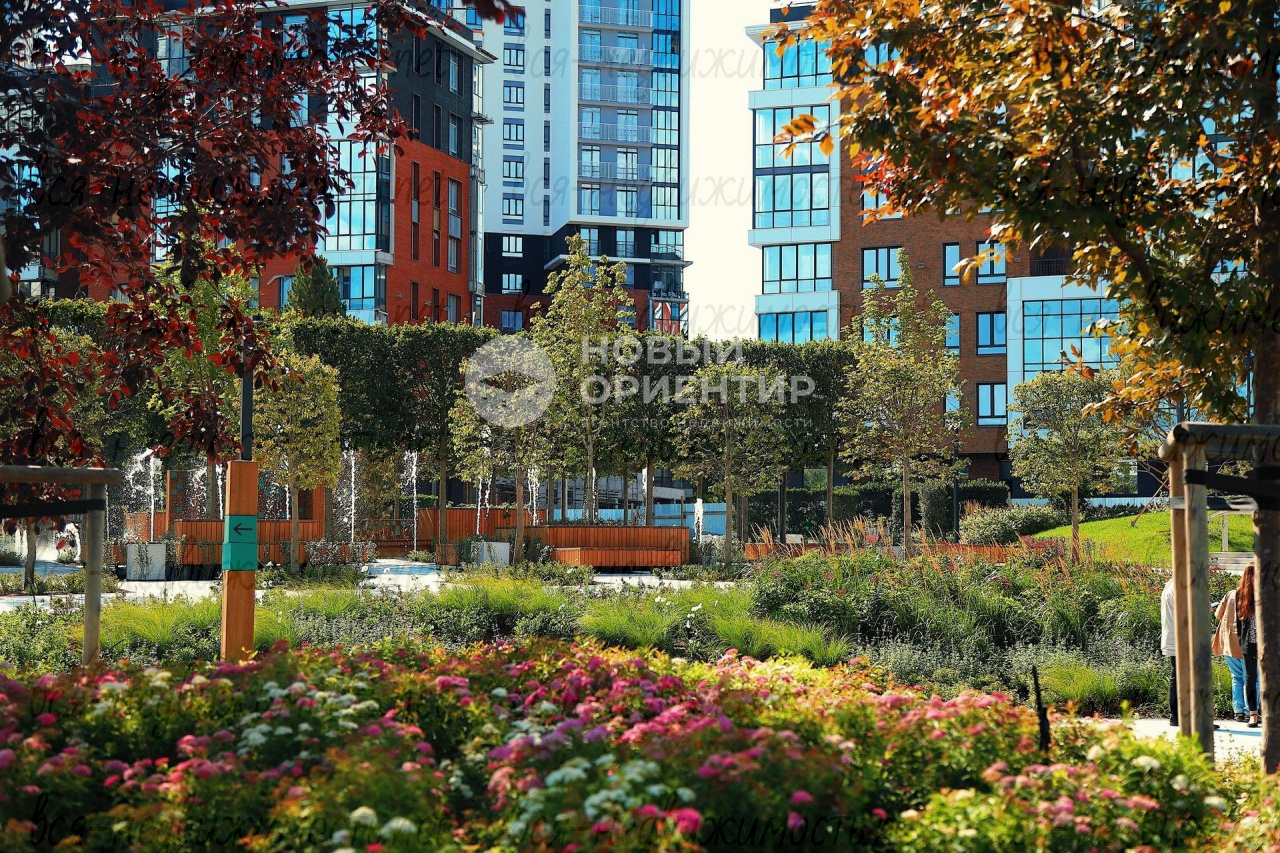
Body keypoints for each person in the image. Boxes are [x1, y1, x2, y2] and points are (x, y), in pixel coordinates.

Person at [1213, 586, 1249, 722]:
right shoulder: (1254, 594)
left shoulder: (1230, 595)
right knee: (1251, 679)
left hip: (1229, 644)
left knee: (1236, 677)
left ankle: (1238, 711)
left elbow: (1218, 615)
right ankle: (1250, 711)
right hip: (1246, 645)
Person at [1236, 564, 1261, 728]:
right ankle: (1253, 713)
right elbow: (1238, 622)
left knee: (1269, 677)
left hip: (1268, 643)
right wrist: (1241, 640)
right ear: (1249, 577)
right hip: (1249, 642)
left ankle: (1267, 711)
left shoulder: (1267, 591)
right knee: (1250, 678)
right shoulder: (1241, 594)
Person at [1161, 576, 1178, 726]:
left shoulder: (1169, 585)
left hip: (1172, 638)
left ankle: (1175, 715)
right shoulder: (1181, 588)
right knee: (1194, 677)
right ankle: (1179, 715)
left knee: (1176, 677)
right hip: (1183, 639)